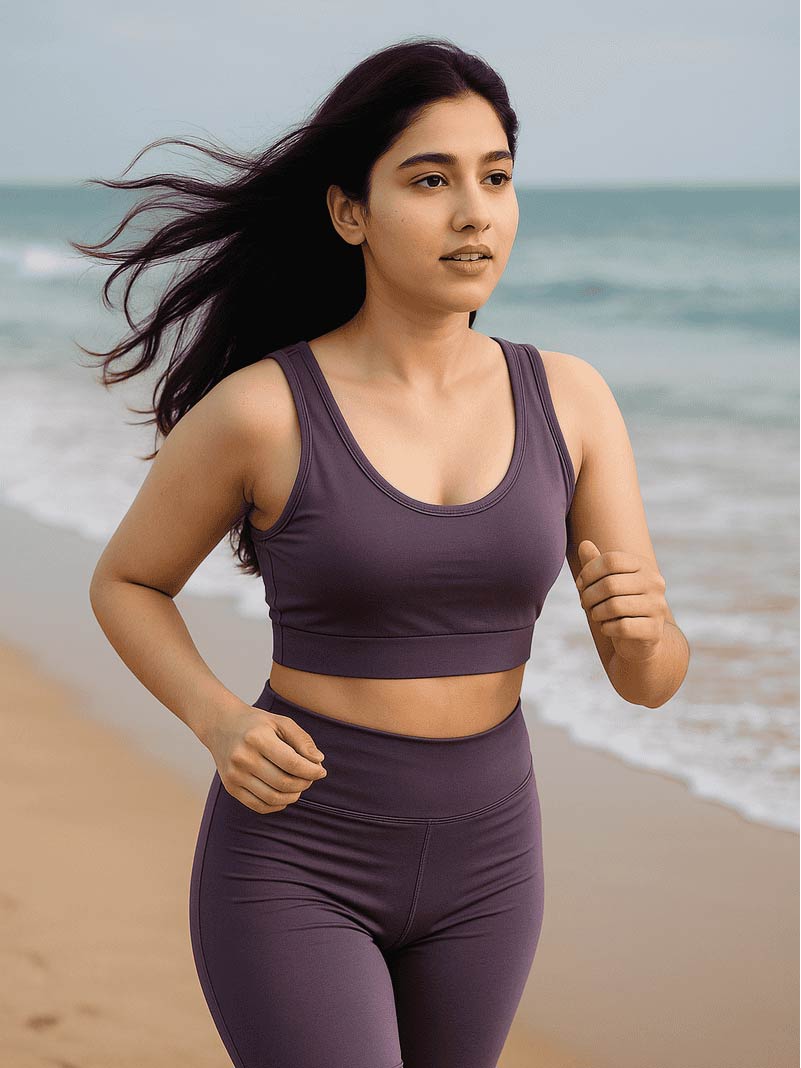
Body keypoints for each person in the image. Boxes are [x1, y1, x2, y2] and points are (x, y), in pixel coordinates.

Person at [77, 36, 690, 1068]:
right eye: (430, 179)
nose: (474, 213)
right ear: (349, 211)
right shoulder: (264, 410)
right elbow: (128, 581)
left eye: (495, 178)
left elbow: (650, 681)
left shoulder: (571, 399)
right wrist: (219, 720)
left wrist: (646, 632)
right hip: (298, 853)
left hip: (493, 859)